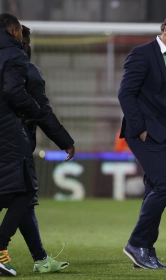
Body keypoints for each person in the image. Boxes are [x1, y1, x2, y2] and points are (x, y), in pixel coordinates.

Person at [118, 14, 166, 270]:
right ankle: (136, 243)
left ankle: (146, 250)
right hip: (146, 134)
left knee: (154, 190)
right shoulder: (142, 54)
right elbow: (125, 93)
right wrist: (139, 128)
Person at [14, 25, 74, 273]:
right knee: (24, 198)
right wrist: (64, 140)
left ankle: (39, 258)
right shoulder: (27, 72)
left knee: (21, 201)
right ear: (24, 44)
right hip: (16, 147)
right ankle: (36, 258)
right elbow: (42, 113)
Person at [0, 13, 42, 276]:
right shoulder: (17, 60)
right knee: (23, 192)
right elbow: (15, 93)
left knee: (18, 194)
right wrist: (33, 109)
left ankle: (40, 256)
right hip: (8, 135)